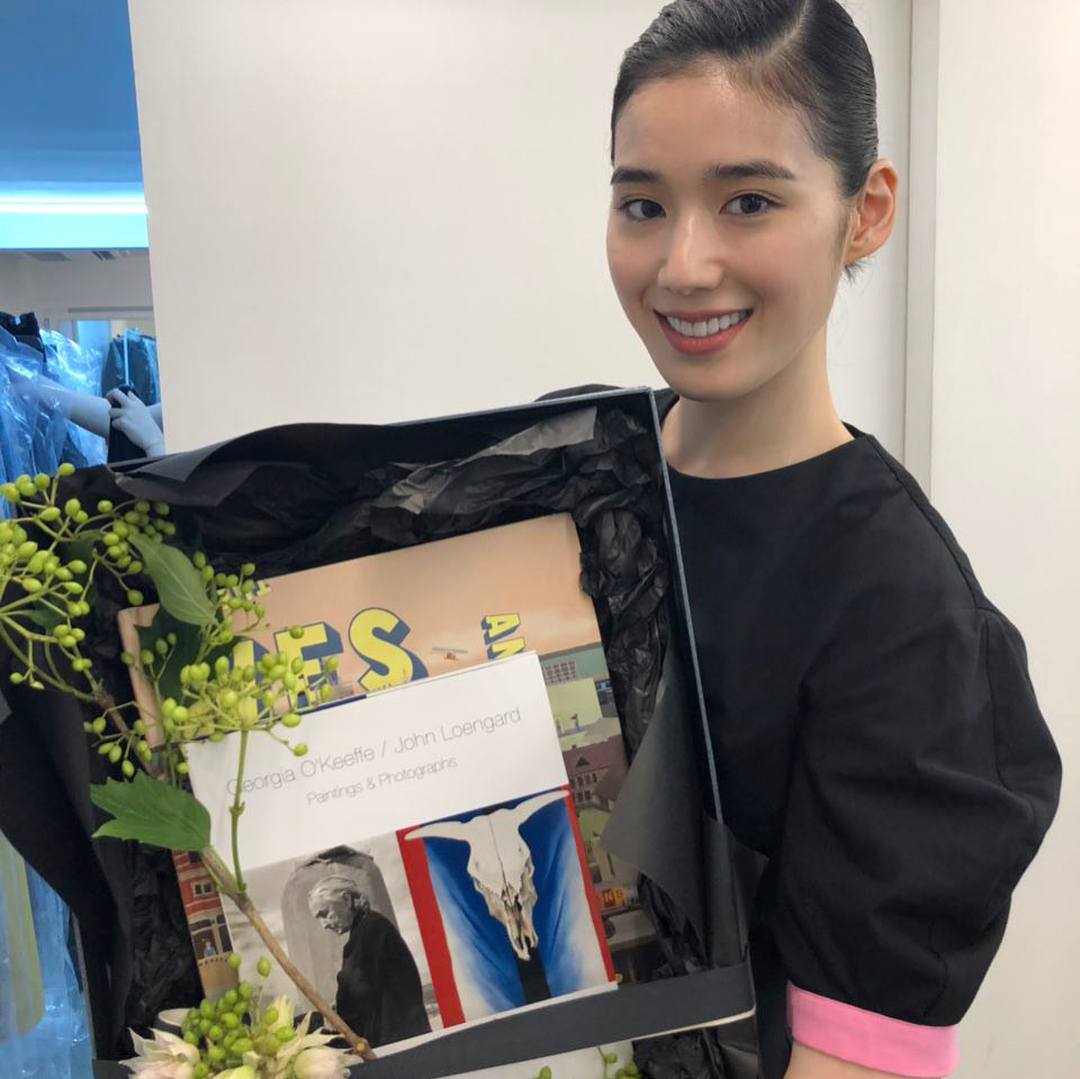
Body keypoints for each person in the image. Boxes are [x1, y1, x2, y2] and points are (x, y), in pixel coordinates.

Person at [553, 2, 1062, 1077]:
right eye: (643, 204)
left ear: (864, 212)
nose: (684, 265)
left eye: (748, 200)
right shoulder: (564, 478)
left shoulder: (907, 622)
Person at [307, 875, 431, 1047]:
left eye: (324, 914)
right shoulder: (367, 928)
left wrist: (332, 1015)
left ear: (346, 900)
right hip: (393, 1036)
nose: (324, 925)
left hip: (396, 1041)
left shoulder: (372, 931)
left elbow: (358, 998)